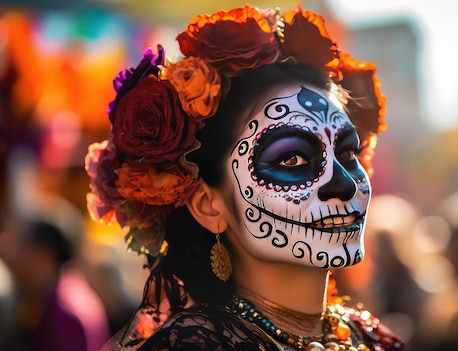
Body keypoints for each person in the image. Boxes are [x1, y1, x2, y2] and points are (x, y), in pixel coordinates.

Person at [85, 5, 405, 351]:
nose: (343, 184)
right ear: (209, 205)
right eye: (293, 159)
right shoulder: (195, 345)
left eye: (347, 154)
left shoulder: (372, 339)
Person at [0, 217, 110, 351]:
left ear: (44, 255)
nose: (12, 254)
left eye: (21, 246)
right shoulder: (54, 296)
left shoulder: (65, 311)